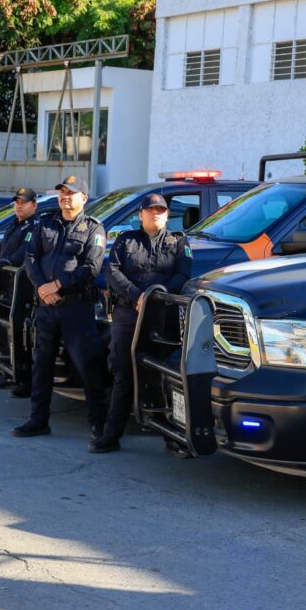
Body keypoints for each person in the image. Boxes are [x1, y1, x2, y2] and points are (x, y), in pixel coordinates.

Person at [91, 193, 192, 453]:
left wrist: (154, 297)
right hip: (128, 314)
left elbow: (183, 273)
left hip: (162, 315)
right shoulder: (126, 240)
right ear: (140, 214)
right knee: (124, 374)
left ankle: (173, 436)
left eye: (161, 210)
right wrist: (137, 296)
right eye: (150, 210)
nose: (155, 213)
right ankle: (111, 435)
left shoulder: (179, 241)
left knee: (161, 375)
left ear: (167, 215)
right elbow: (112, 271)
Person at [14, 175, 108, 440]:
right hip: (46, 307)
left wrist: (57, 286)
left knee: (88, 366)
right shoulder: (45, 223)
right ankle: (38, 420)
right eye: (62, 192)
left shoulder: (94, 229)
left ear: (84, 198)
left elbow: (91, 267)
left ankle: (99, 426)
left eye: (71, 193)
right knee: (42, 366)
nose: (65, 197)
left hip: (75, 308)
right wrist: (42, 288)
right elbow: (30, 257)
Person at [0, 187, 40, 397]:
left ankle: (23, 378)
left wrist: (2, 264)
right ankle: (7, 371)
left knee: (20, 333)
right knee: (4, 329)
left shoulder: (35, 226)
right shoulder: (14, 224)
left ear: (34, 205)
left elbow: (24, 254)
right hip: (5, 285)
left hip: (20, 287)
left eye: (23, 202)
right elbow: (1, 247)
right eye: (17, 202)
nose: (19, 206)